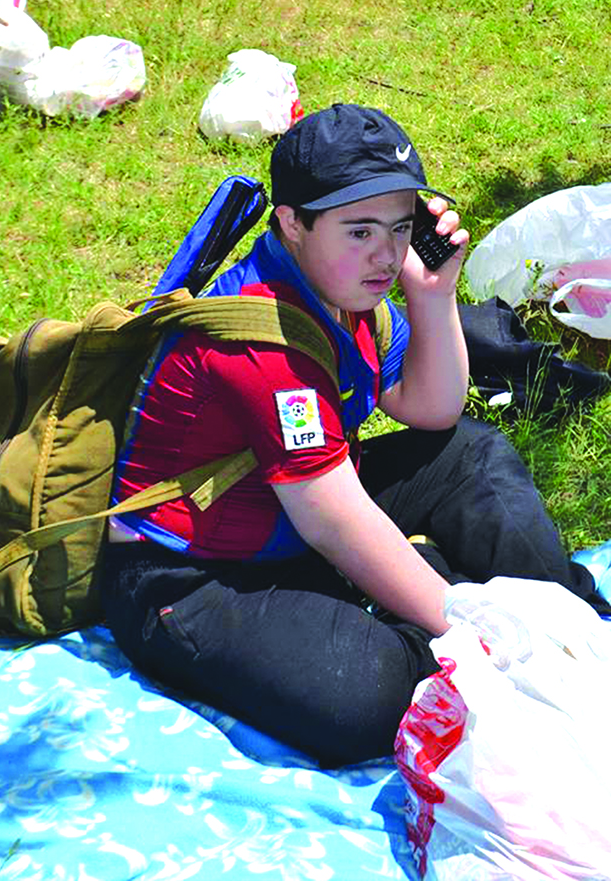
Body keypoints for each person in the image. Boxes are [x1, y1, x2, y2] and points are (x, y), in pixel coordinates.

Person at [99, 103, 611, 767]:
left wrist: (432, 295)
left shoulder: (343, 291)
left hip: (290, 517)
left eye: (400, 228)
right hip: (191, 576)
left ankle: (573, 621)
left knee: (472, 454)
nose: (386, 254)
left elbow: (431, 409)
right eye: (359, 230)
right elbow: (334, 523)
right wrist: (465, 619)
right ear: (292, 223)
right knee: (365, 702)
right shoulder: (262, 340)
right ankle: (470, 631)